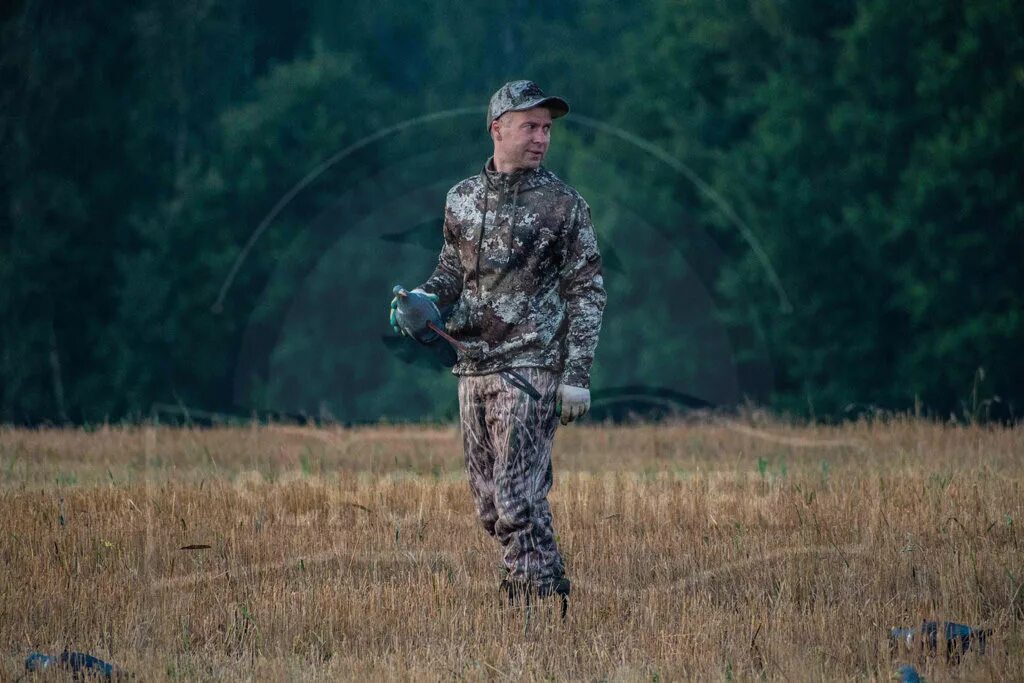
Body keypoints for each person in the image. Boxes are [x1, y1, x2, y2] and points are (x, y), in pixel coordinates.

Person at [390, 80, 607, 616]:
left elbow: (588, 291)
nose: (541, 138)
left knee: (517, 498)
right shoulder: (461, 199)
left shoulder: (564, 205)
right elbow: (448, 276)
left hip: (532, 366)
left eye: (547, 129)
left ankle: (530, 607)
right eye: (530, 126)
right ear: (498, 128)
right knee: (490, 505)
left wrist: (576, 374)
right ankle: (551, 586)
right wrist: (418, 301)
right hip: (471, 365)